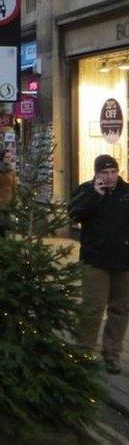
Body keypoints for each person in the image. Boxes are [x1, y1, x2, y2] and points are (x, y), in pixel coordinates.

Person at [70, 155, 129, 374]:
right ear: (96, 174)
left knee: (120, 309)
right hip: (95, 260)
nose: (110, 176)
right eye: (105, 172)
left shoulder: (126, 192)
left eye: (113, 171)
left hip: (123, 260)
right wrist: (95, 195)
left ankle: (111, 354)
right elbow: (74, 214)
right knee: (92, 307)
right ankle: (84, 351)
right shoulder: (86, 190)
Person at [0, 149, 16, 213]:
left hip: (9, 202)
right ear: (1, 158)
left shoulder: (11, 171)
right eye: (6, 157)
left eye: (10, 157)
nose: (9, 159)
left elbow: (14, 187)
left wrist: (14, 200)